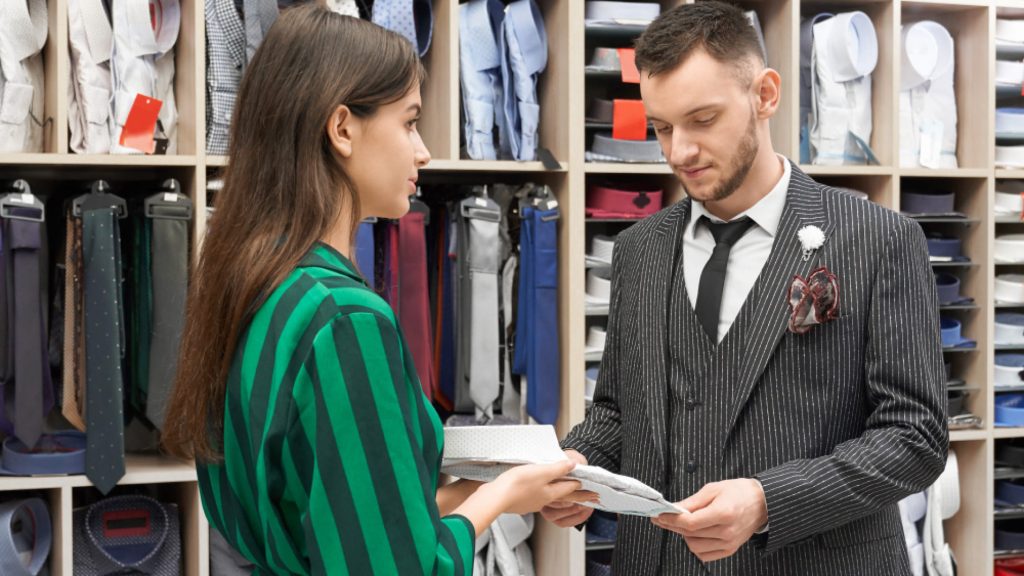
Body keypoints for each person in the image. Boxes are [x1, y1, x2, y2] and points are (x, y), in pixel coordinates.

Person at [161, 5, 592, 575]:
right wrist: (505, 496)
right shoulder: (343, 319)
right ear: (342, 128)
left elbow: (349, 519)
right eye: (410, 122)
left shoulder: (252, 285)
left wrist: (511, 486)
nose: (423, 152)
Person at [542, 3, 947, 575]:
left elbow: (915, 435)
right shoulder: (638, 250)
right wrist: (581, 462)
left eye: (702, 119)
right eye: (662, 126)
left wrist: (767, 501)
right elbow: (619, 409)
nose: (679, 151)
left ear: (765, 95)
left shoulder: (878, 240)